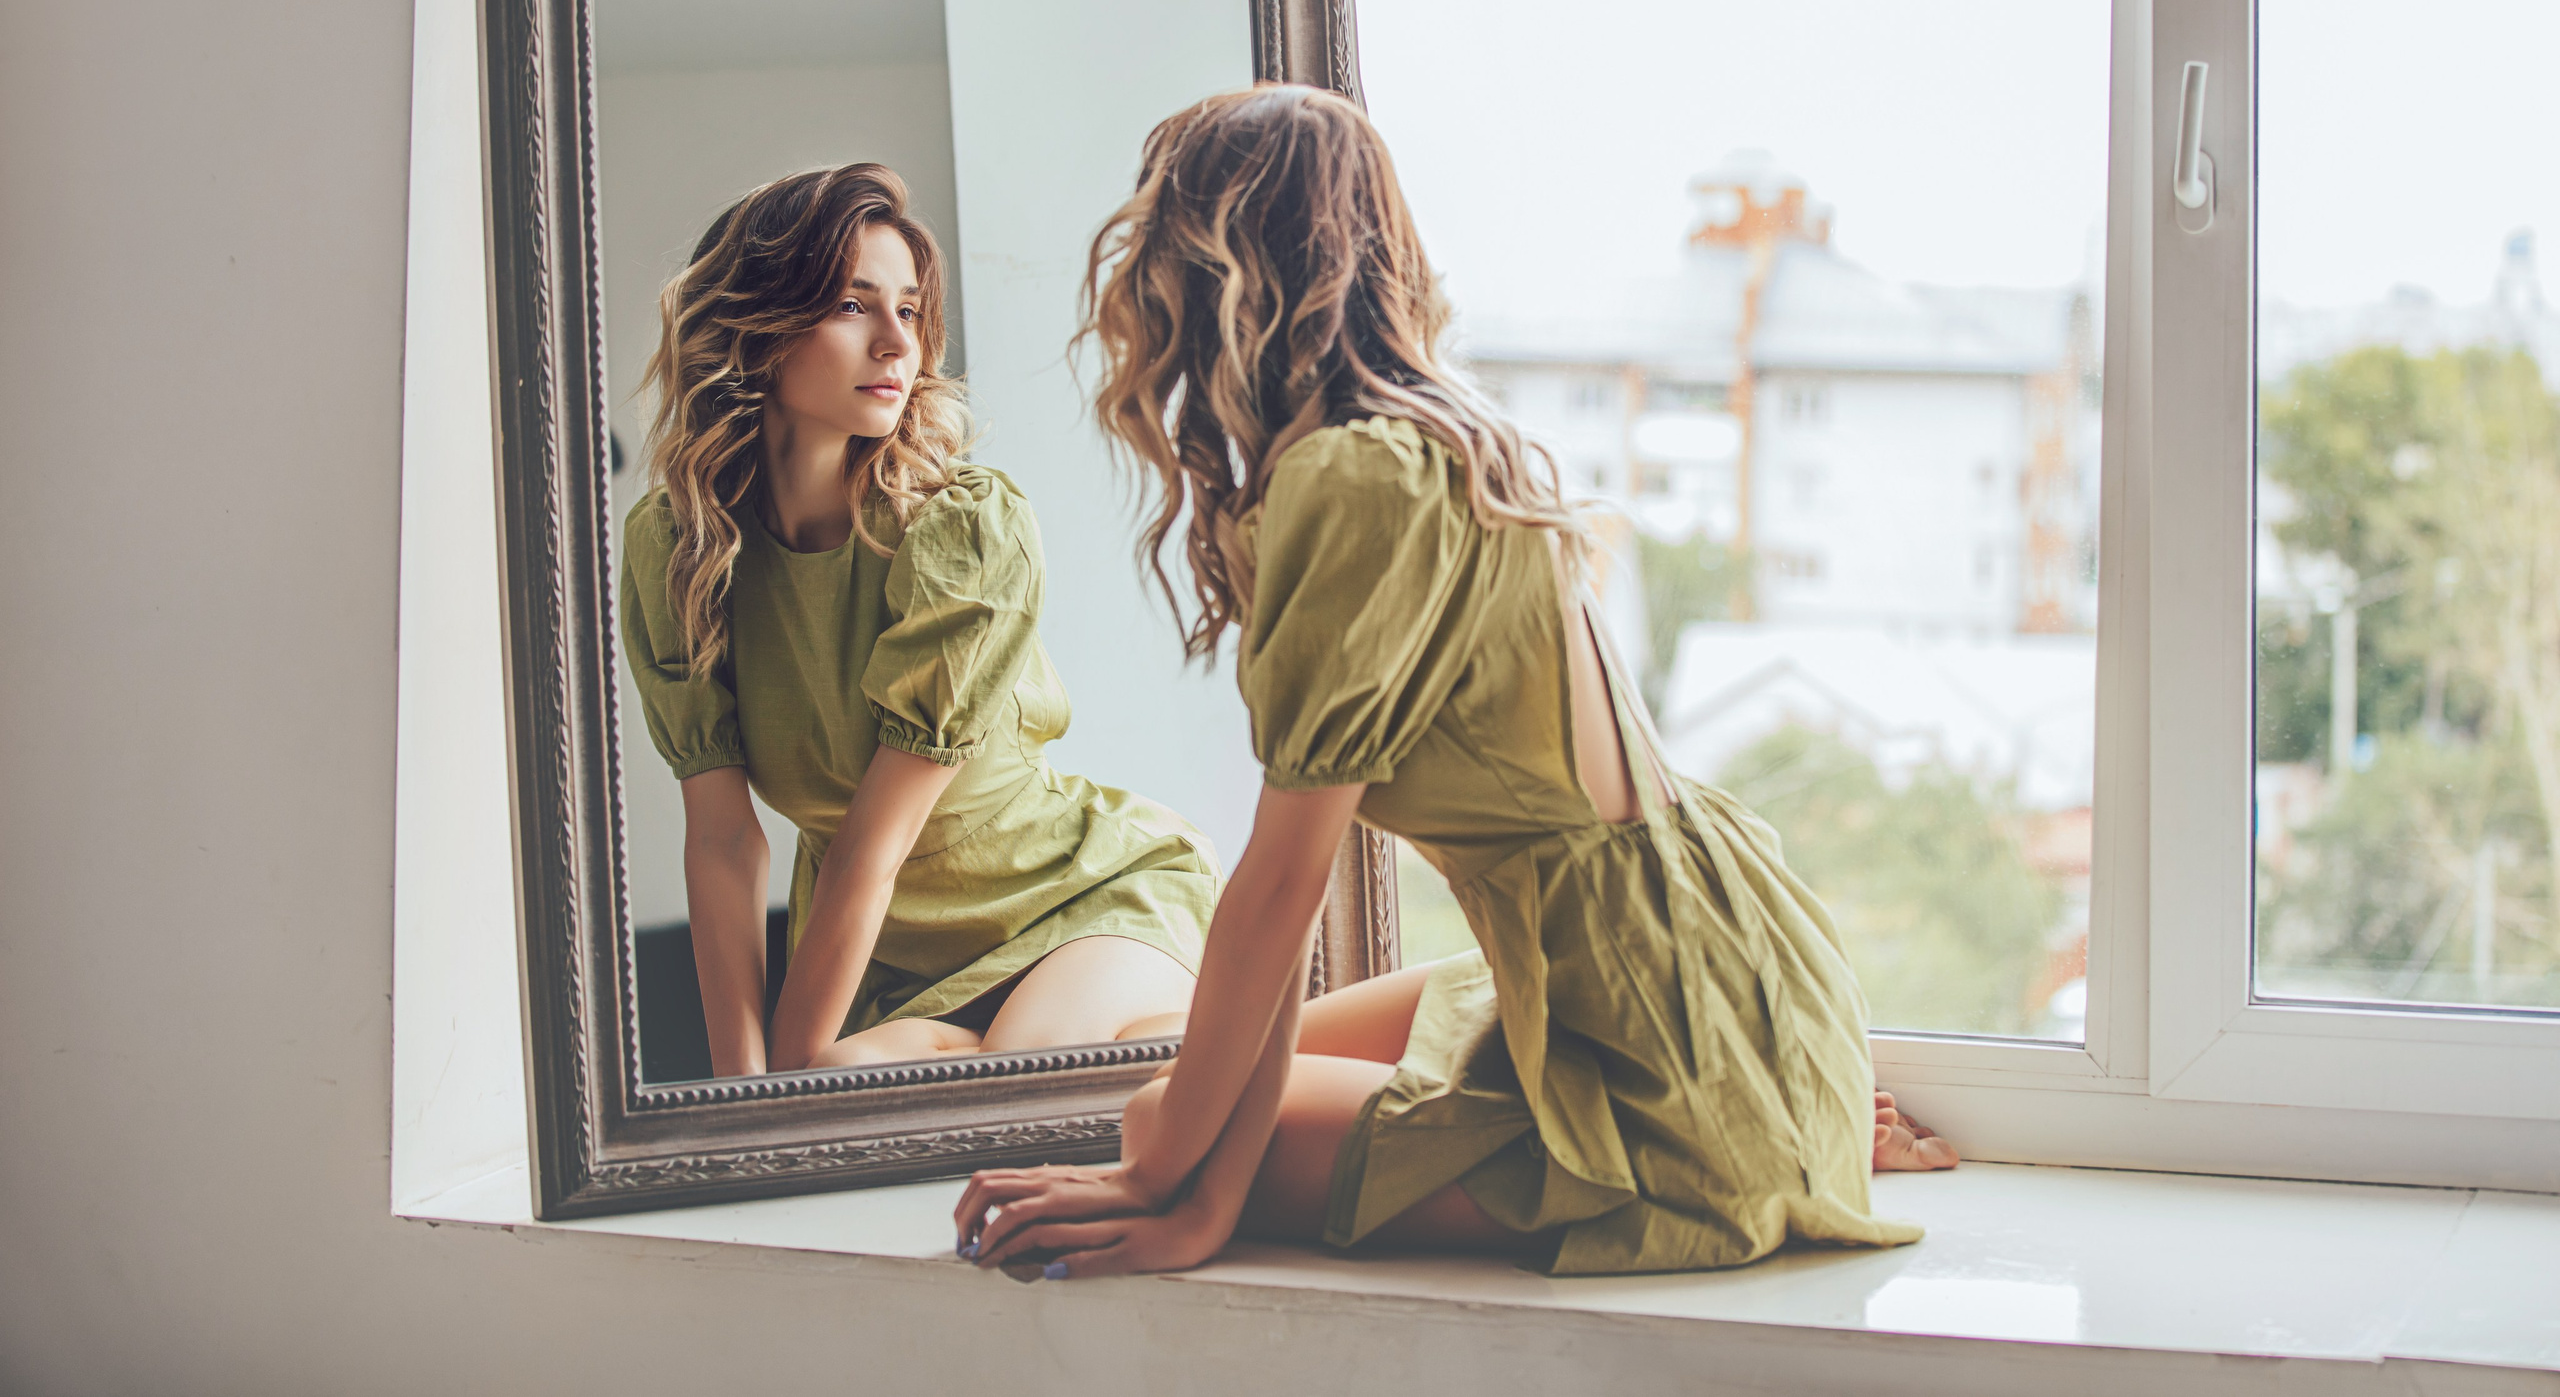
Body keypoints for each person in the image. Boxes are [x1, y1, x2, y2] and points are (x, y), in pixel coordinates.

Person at [954, 87, 1956, 1279]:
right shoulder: (1443, 439)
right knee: (1182, 1077)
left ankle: (1749, 1136)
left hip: (1645, 1039)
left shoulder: (1349, 478)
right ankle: (1781, 1109)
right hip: (1689, 956)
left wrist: (1180, 1186)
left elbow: (1281, 892)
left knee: (1153, 1112)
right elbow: (1278, 917)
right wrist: (1200, 1169)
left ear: (1207, 270)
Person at [619, 163, 1218, 1076]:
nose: (898, 343)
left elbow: (875, 840)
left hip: (1082, 902)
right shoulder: (679, 549)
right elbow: (723, 840)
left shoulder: (963, 528)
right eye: (855, 306)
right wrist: (736, 1094)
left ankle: (1212, 1037)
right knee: (836, 1084)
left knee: (1022, 1064)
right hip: (890, 962)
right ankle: (1181, 1055)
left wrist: (785, 1070)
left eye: (909, 310)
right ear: (758, 328)